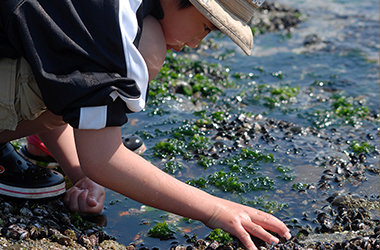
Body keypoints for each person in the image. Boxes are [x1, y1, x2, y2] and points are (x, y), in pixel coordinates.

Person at [0, 0, 291, 249]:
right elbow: (102, 160)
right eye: (206, 27)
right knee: (144, 50)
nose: (194, 44)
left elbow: (55, 62)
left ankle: (63, 133)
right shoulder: (116, 27)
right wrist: (214, 209)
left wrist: (78, 172)